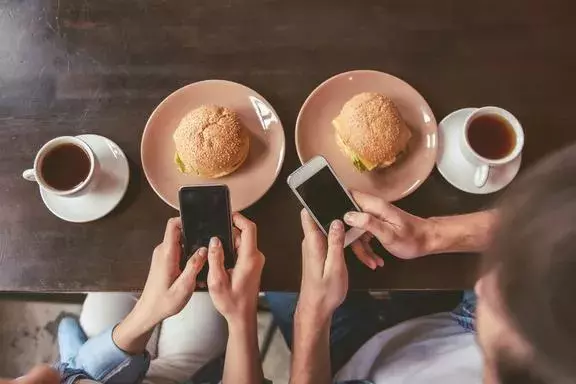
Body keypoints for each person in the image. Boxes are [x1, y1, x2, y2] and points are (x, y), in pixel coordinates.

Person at [268, 144, 576, 384]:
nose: (480, 284)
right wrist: (429, 235)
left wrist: (310, 313)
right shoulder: (548, 342)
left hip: (343, 360)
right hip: (436, 319)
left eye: (504, 301)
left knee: (279, 280)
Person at [2, 213, 265, 384]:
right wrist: (241, 316)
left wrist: (148, 312)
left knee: (122, 271)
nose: (28, 377)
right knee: (203, 289)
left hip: (97, 372)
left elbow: (65, 375)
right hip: (173, 375)